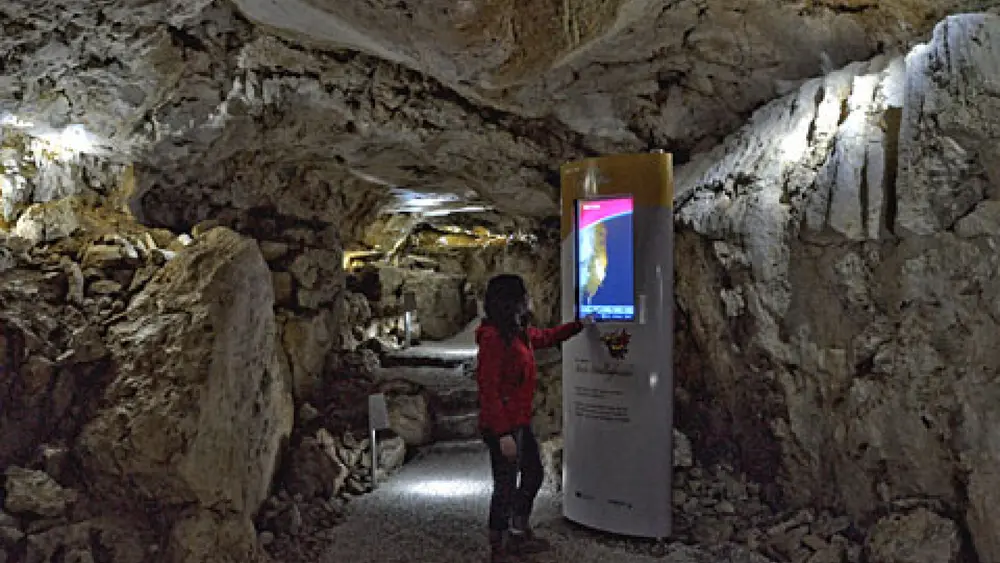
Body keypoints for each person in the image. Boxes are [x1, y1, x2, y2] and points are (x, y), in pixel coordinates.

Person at [475, 274, 591, 562]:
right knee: (504, 484)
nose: (530, 299)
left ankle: (517, 529)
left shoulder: (517, 332)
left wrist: (579, 325)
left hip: (519, 421)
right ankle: (499, 545)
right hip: (503, 426)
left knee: (533, 473)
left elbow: (546, 337)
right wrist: (502, 434)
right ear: (512, 301)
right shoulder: (493, 339)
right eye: (524, 295)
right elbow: (488, 389)